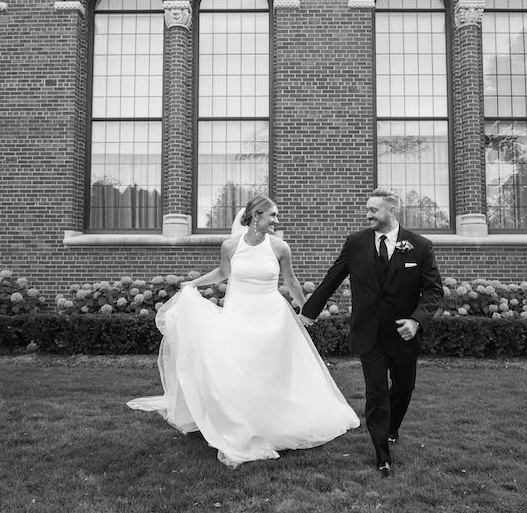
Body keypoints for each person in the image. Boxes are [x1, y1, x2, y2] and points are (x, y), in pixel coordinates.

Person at [126, 195, 359, 467]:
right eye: (272, 215)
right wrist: (193, 283)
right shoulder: (230, 246)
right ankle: (242, 421)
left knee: (270, 370)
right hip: (239, 313)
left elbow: (291, 282)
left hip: (272, 317)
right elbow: (223, 273)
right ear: (255, 216)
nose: (276, 220)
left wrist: (307, 310)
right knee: (238, 367)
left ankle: (275, 420)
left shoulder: (280, 248)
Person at [301, 188, 443, 477]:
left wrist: (416, 321)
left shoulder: (420, 246)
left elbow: (433, 291)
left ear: (392, 211)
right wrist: (307, 313)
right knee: (376, 392)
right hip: (369, 333)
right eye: (367, 209)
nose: (367, 215)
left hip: (404, 333)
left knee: (404, 387)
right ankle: (382, 453)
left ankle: (392, 428)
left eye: (373, 210)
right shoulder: (355, 243)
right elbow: (332, 278)